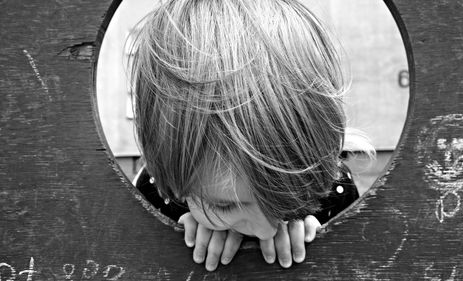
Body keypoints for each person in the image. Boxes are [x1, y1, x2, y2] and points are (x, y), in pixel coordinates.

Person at [129, 0, 374, 272]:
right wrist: (174, 242)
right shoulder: (155, 192)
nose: (266, 230)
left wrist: (320, 247)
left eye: (292, 199)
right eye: (224, 205)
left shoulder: (333, 189)